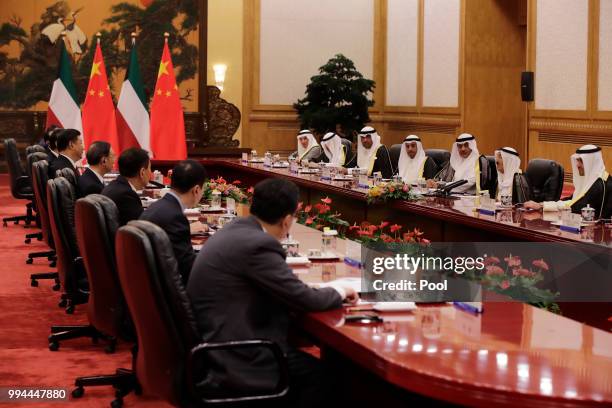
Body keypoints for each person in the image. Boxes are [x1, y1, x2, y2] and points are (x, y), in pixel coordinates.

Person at [187, 178, 358, 407]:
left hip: (213, 343)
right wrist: (339, 289)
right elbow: (305, 300)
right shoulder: (258, 244)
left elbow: (281, 287)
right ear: (287, 221)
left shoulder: (237, 230)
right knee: (331, 379)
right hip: (239, 356)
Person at [140, 160, 207, 283]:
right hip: (166, 292)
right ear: (196, 190)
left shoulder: (158, 206)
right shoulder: (175, 217)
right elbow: (188, 268)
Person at [524, 145, 609, 218]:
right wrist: (542, 205)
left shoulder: (600, 184)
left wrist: (541, 206)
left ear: (592, 162)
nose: (577, 165)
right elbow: (572, 201)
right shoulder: (592, 179)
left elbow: (576, 207)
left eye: (581, 161)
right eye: (578, 160)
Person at [102, 147, 150, 226]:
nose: (150, 173)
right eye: (150, 168)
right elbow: (143, 227)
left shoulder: (114, 185)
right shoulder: (126, 196)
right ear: (142, 172)